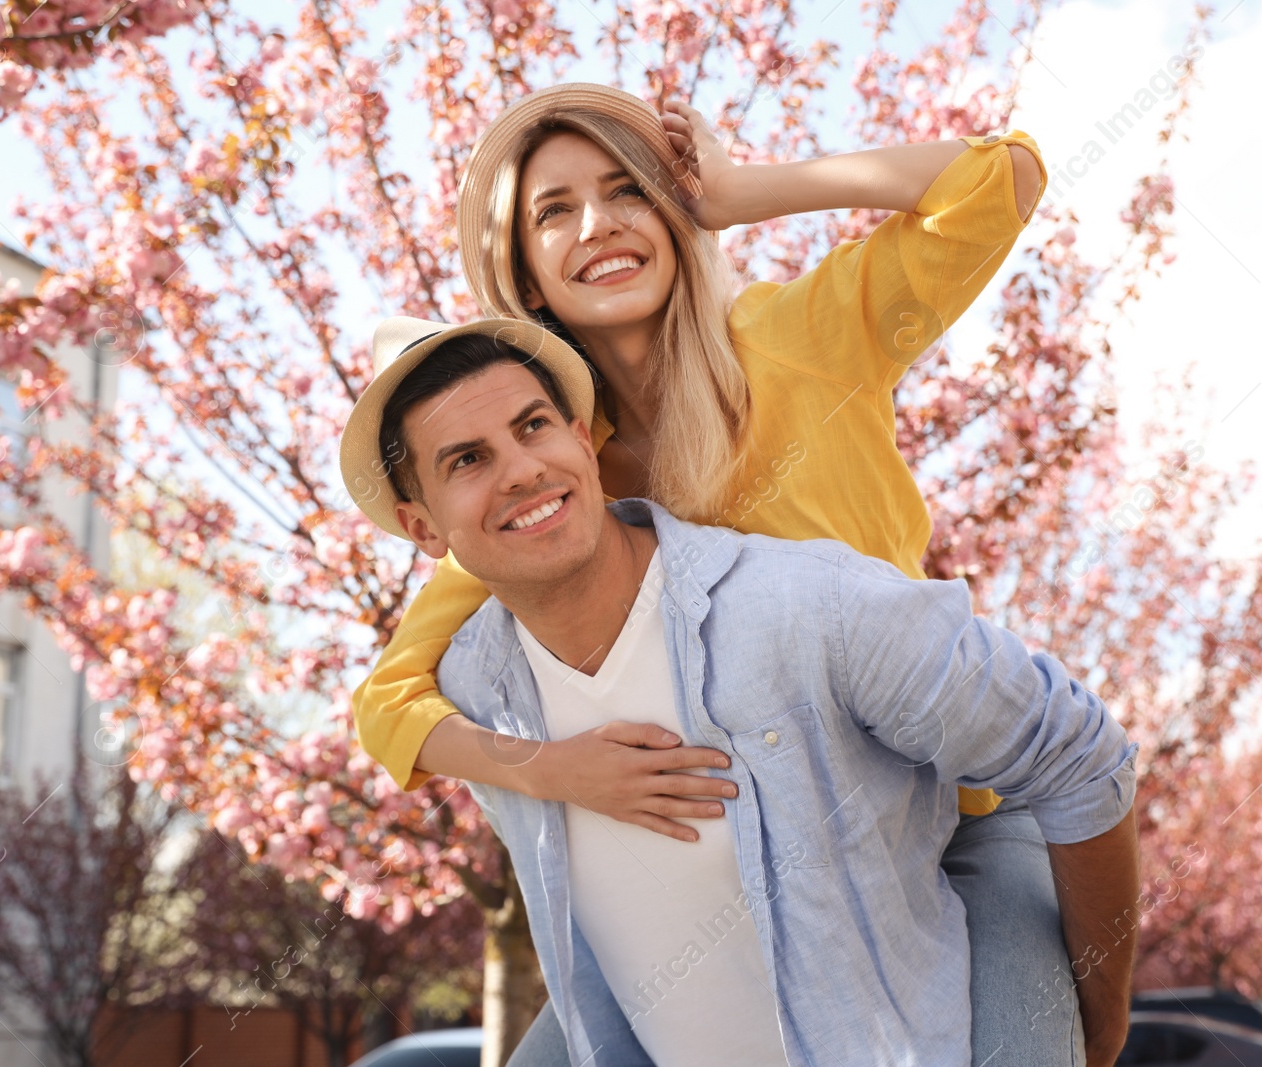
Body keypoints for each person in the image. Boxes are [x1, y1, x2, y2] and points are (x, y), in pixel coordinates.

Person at [342, 83, 1109, 1064]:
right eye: (555, 210)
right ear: (526, 273)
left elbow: (998, 179)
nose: (599, 226)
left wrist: (738, 191)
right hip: (722, 880)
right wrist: (551, 769)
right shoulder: (562, 473)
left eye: (628, 190)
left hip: (948, 830)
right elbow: (388, 700)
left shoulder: (801, 340)